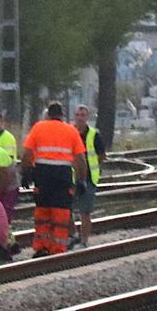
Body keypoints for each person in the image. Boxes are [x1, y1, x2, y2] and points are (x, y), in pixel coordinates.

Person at [21, 102, 88, 257]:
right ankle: (57, 249)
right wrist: (81, 180)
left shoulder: (38, 127)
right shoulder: (71, 131)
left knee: (42, 211)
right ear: (62, 115)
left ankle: (41, 247)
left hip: (42, 174)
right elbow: (80, 160)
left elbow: (26, 154)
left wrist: (25, 174)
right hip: (62, 175)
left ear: (48, 114)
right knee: (61, 213)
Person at [70, 104, 105, 248]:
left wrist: (92, 167)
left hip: (89, 178)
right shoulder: (69, 132)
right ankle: (74, 235)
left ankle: (84, 240)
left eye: (82, 115)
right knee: (66, 209)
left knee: (85, 211)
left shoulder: (93, 135)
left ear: (87, 117)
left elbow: (102, 155)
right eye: (77, 115)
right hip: (70, 177)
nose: (79, 118)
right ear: (74, 116)